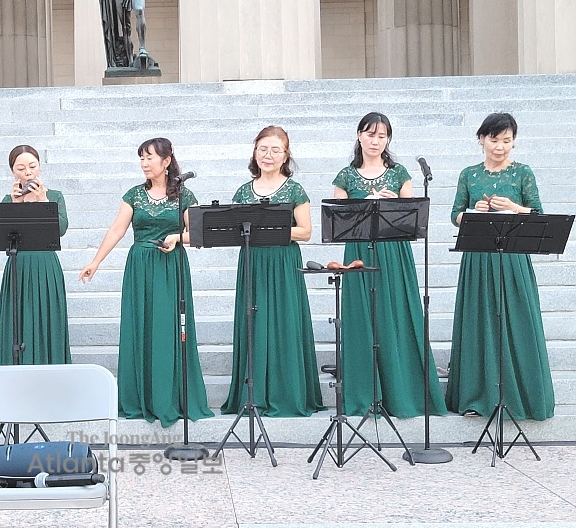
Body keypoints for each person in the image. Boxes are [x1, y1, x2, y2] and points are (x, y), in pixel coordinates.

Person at [79, 138, 213, 427]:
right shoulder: (134, 195)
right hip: (140, 266)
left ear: (166, 162)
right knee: (140, 328)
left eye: (149, 157)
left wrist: (178, 237)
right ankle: (139, 397)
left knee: (168, 330)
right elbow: (117, 229)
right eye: (141, 158)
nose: (144, 163)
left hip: (170, 266)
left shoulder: (184, 196)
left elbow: (200, 233)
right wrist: (96, 261)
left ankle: (170, 397)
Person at [332, 112, 446, 418]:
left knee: (394, 314)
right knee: (361, 318)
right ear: (359, 135)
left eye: (382, 136)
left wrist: (391, 201)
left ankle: (402, 393)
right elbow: (338, 218)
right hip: (358, 250)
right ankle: (364, 394)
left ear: (388, 140)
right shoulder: (345, 176)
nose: (375, 141)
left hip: (393, 252)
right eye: (370, 134)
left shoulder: (399, 174)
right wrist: (365, 203)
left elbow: (411, 222)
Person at [446, 113, 554, 420]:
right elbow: (455, 214)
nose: (500, 147)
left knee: (517, 320)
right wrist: (471, 212)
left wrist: (514, 208)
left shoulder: (523, 173)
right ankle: (477, 396)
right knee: (479, 321)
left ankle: (523, 396)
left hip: (514, 258)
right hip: (479, 258)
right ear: (481, 139)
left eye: (507, 141)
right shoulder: (469, 174)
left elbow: (539, 214)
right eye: (494, 140)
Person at [221, 126, 325, 417]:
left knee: (284, 322)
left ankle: (288, 394)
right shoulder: (244, 190)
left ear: (285, 155)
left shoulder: (294, 189)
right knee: (253, 322)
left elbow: (305, 231)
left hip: (282, 261)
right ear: (255, 152)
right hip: (253, 262)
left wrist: (271, 228)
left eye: (275, 150)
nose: (268, 155)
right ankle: (253, 395)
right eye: (263, 149)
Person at [0, 145, 71, 365]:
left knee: (48, 320)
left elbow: (61, 229)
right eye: (21, 167)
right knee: (17, 322)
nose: (27, 172)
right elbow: (2, 237)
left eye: (32, 166)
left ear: (39, 167)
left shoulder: (55, 196)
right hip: (18, 264)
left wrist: (43, 202)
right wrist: (16, 205)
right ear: (13, 171)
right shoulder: (8, 199)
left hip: (46, 264)